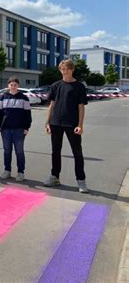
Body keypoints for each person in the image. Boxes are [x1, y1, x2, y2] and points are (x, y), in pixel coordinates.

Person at [44, 59, 89, 193]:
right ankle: (55, 177)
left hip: (72, 124)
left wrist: (80, 125)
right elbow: (51, 105)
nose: (65, 71)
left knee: (77, 153)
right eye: (62, 69)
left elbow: (81, 107)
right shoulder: (55, 85)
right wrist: (47, 122)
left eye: (67, 69)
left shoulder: (79, 86)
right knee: (55, 152)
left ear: (72, 69)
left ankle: (81, 181)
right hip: (56, 123)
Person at [0, 77, 32, 182]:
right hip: (5, 129)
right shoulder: (2, 97)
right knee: (7, 151)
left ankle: (20, 172)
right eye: (11, 85)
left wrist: (26, 127)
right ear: (8, 86)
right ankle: (7, 170)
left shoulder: (24, 98)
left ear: (18, 86)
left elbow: (28, 114)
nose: (13, 86)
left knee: (19, 151)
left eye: (15, 84)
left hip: (19, 129)